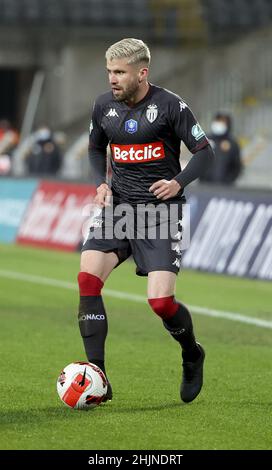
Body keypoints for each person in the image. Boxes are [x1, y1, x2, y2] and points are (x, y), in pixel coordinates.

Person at [78, 38, 214, 404]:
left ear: (142, 72)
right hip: (119, 207)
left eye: (119, 72)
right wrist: (100, 184)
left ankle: (192, 353)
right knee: (88, 278)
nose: (112, 79)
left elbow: (205, 152)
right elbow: (95, 147)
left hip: (159, 213)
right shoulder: (103, 106)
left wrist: (178, 182)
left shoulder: (171, 106)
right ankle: (99, 379)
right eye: (109, 71)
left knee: (160, 303)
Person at [200, 112, 242, 184]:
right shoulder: (205, 140)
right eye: (218, 121)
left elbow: (237, 166)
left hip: (225, 187)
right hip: (205, 185)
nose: (219, 124)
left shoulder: (233, 143)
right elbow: (198, 160)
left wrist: (229, 181)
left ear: (228, 124)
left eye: (223, 122)